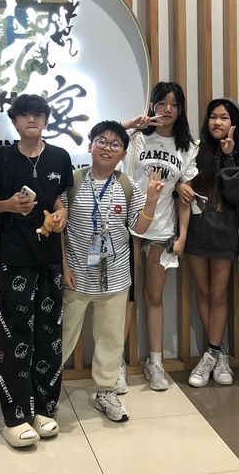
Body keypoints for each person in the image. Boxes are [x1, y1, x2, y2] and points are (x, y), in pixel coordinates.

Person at [0, 94, 73, 448]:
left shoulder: (60, 156)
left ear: (46, 120)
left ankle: (44, 409)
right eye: (24, 115)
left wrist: (61, 215)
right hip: (14, 257)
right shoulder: (3, 156)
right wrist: (9, 205)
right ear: (15, 121)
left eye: (38, 114)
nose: (31, 119)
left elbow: (59, 200)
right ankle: (16, 416)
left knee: (49, 335)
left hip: (49, 257)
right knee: (15, 336)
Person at [60, 121, 161, 422]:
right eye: (101, 141)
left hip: (115, 278)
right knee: (62, 336)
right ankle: (46, 388)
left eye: (115, 144)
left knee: (111, 338)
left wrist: (152, 200)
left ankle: (106, 392)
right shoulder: (72, 182)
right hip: (76, 276)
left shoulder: (127, 186)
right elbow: (59, 229)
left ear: (123, 153)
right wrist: (64, 266)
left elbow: (138, 228)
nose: (107, 148)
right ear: (90, 145)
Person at [123, 81, 198, 392]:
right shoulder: (137, 139)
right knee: (126, 299)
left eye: (174, 104)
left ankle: (156, 363)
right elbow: (104, 137)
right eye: (162, 103)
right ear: (152, 105)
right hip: (129, 228)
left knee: (154, 297)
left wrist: (182, 237)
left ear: (181, 110)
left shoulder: (187, 146)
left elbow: (186, 197)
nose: (168, 109)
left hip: (162, 231)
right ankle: (117, 365)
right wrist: (133, 124)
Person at [184, 98, 239, 388]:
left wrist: (228, 158)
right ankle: (218, 352)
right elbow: (180, 182)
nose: (217, 122)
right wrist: (180, 186)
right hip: (195, 231)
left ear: (234, 124)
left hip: (224, 233)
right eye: (213, 117)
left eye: (224, 117)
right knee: (201, 291)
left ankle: (211, 354)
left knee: (219, 293)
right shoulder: (193, 152)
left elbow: (237, 195)